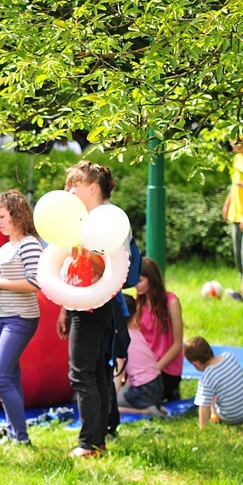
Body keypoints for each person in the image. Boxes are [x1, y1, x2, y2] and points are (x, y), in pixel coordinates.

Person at [56, 160, 127, 458]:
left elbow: (105, 266)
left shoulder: (104, 220)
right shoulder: (81, 220)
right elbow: (70, 269)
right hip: (80, 305)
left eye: (75, 184)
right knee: (95, 373)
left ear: (93, 188)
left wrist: (83, 250)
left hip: (93, 307)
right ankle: (97, 440)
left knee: (82, 375)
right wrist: (64, 308)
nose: (69, 189)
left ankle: (89, 444)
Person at [0, 189, 42, 445]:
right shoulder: (6, 246)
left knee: (0, 377)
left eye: (2, 216)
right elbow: (1, 279)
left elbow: (35, 283)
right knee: (11, 375)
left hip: (20, 317)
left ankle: (22, 437)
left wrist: (1, 283)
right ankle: (14, 431)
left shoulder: (29, 244)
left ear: (17, 216)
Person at [135, 256, 184, 402]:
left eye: (140, 280)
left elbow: (177, 344)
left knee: (139, 398)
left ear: (152, 279)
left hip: (165, 369)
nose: (136, 285)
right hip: (145, 368)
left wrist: (154, 369)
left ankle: (171, 391)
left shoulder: (171, 302)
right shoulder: (139, 304)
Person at [113, 295, 167, 418]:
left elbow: (119, 371)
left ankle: (146, 411)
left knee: (107, 403)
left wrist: (112, 397)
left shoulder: (121, 339)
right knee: (123, 394)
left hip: (143, 389)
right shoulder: (136, 333)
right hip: (158, 386)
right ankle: (153, 405)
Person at [184, 336, 243, 429]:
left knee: (211, 396)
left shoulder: (206, 378)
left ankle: (215, 416)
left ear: (196, 363)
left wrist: (202, 428)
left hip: (231, 417)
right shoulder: (229, 356)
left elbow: (204, 406)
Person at [222, 138, 243, 278]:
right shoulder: (237, 159)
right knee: (237, 253)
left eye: (236, 141)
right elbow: (235, 185)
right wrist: (227, 204)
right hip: (235, 213)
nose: (232, 144)